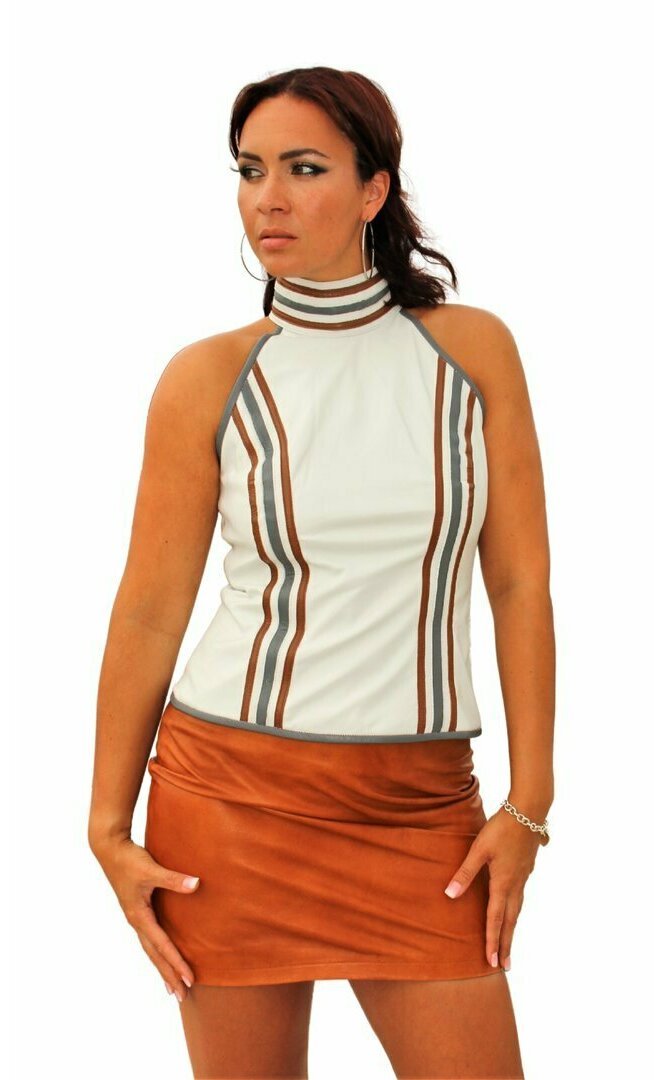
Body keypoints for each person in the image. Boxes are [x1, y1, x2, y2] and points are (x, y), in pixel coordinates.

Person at [88, 66, 554, 1080]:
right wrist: (106, 827)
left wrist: (529, 803)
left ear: (374, 189)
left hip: (421, 812)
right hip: (227, 805)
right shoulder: (207, 378)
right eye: (250, 170)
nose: (270, 197)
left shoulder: (473, 354)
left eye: (304, 169)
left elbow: (519, 585)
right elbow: (150, 611)